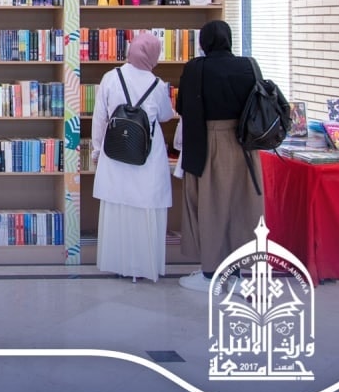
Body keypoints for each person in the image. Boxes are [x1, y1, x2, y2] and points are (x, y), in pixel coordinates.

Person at [174, 19, 262, 292]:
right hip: (244, 145)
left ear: (203, 42)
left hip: (208, 142)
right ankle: (236, 273)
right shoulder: (249, 65)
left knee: (210, 205)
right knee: (240, 206)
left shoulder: (195, 68)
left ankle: (211, 274)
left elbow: (182, 107)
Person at [91, 32, 177, 282]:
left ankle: (117, 263)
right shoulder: (157, 85)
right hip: (146, 156)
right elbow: (165, 116)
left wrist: (97, 150)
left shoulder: (111, 77)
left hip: (115, 152)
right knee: (144, 209)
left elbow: (100, 117)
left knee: (118, 208)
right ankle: (143, 267)